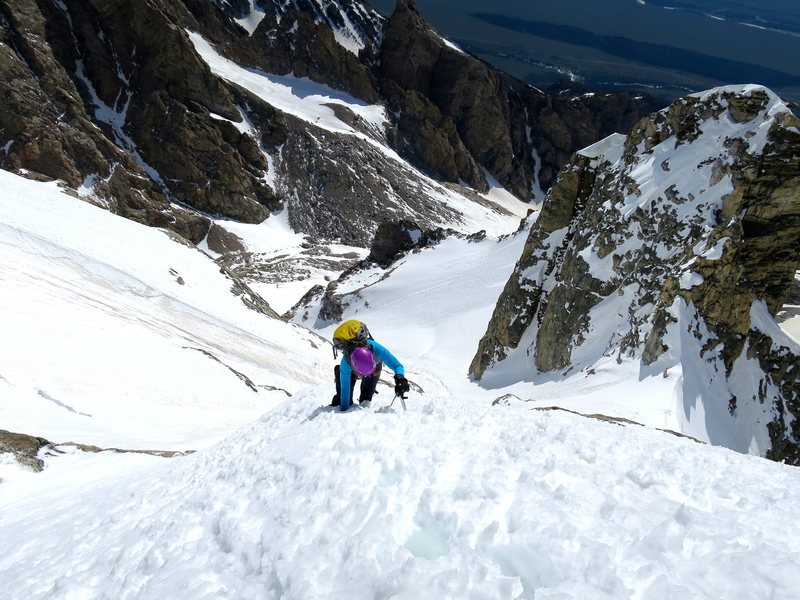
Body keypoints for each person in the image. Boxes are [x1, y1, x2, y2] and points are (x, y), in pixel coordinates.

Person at [332, 339, 409, 411]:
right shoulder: (346, 364)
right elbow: (345, 391)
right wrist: (344, 408)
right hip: (351, 369)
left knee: (366, 400)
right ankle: (340, 373)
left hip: (374, 367)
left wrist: (400, 378)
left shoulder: (378, 351)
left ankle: (371, 374)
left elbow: (397, 365)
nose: (366, 376)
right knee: (343, 401)